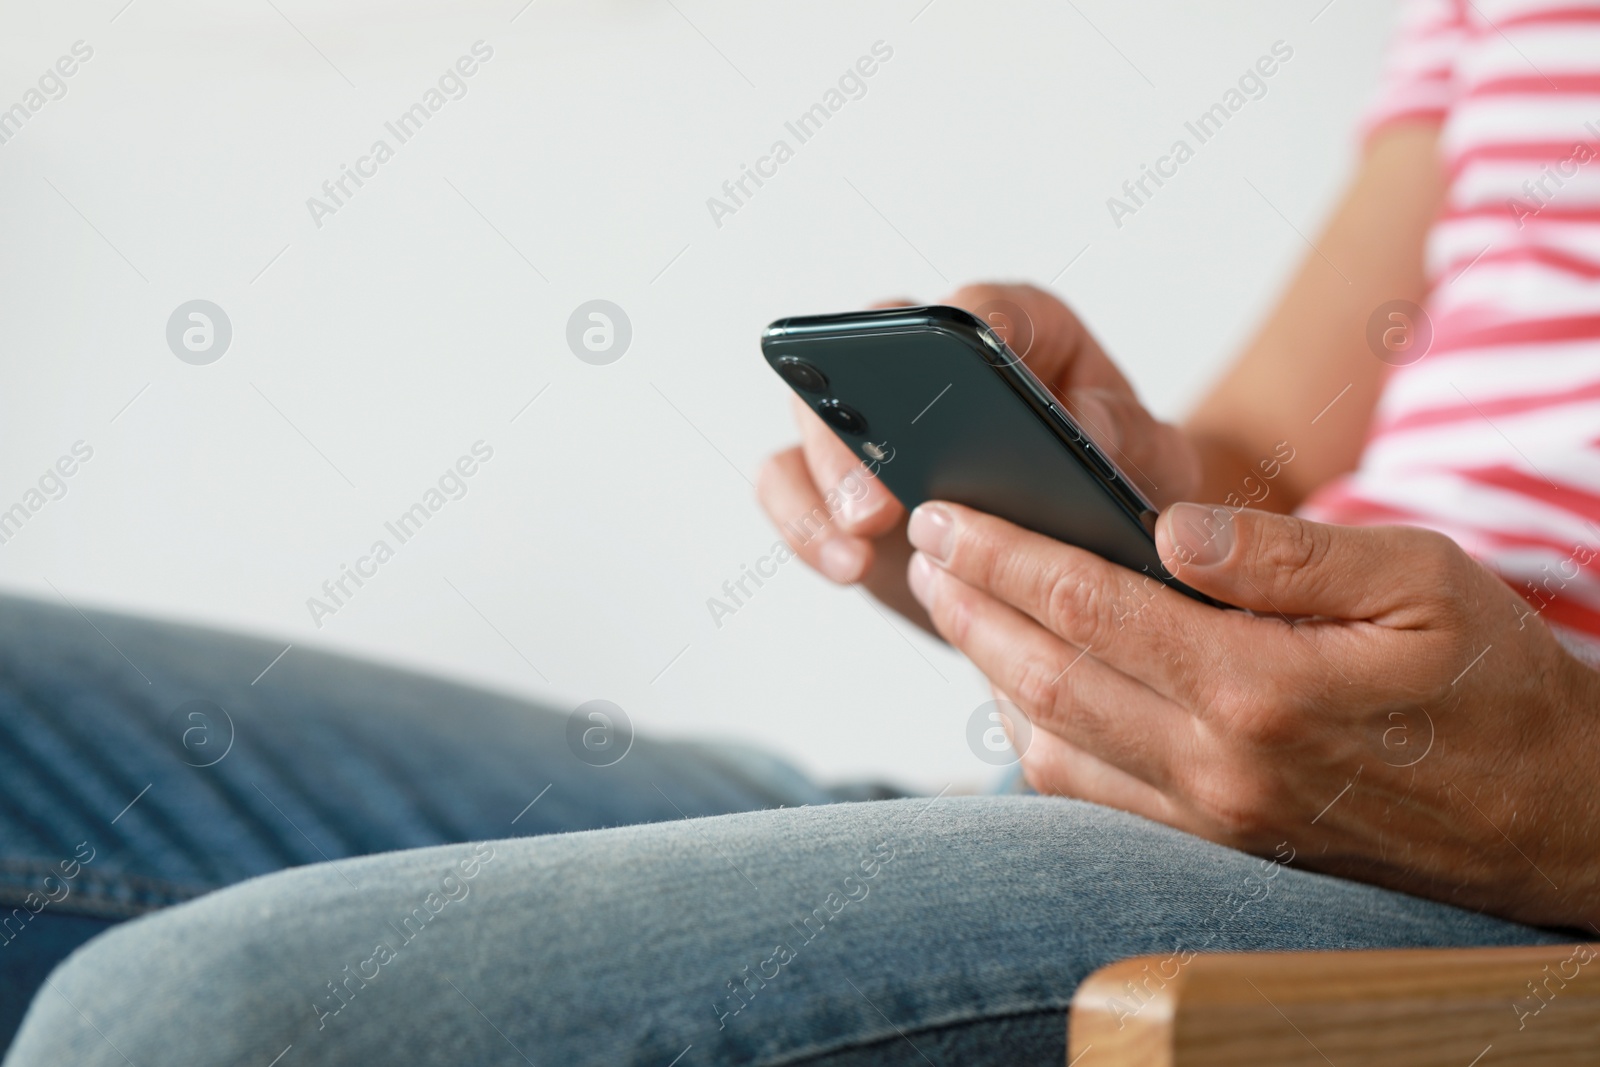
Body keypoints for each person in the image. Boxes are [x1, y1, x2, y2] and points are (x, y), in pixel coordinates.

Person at [6, 1, 1600, 1063]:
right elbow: (1263, 465)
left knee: (203, 1025)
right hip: (1132, 808)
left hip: (1484, 906)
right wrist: (1103, 520)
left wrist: (1560, 809)